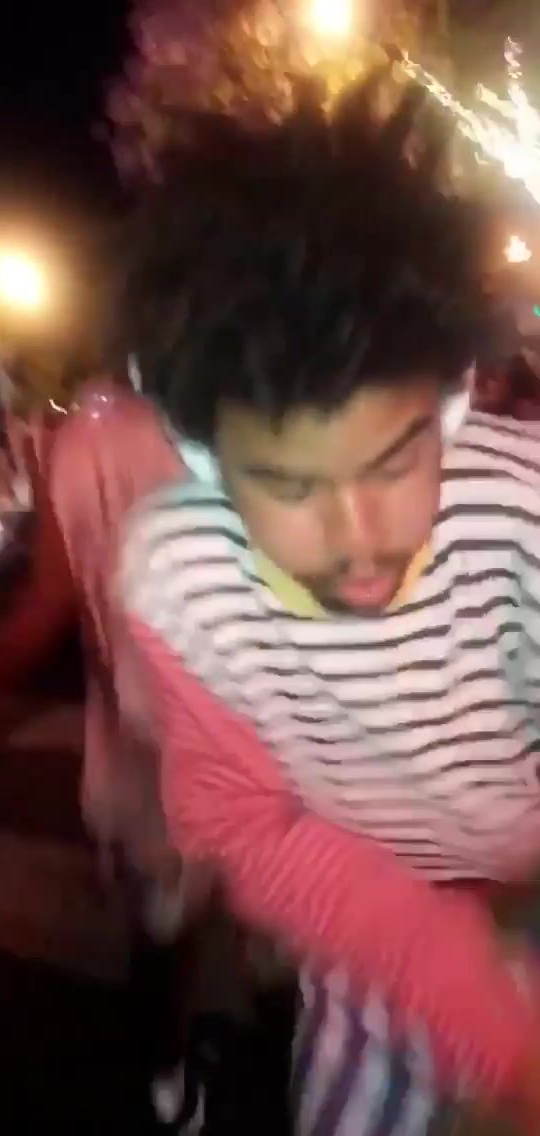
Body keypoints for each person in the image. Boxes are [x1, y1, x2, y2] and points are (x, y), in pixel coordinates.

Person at [115, 76, 540, 1133]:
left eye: (395, 460)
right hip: (364, 943)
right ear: (206, 456)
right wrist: (475, 1004)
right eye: (290, 486)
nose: (357, 537)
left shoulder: (522, 520)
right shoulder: (179, 580)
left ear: (449, 404)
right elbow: (243, 824)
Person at [0, 378, 218, 1132]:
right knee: (208, 936)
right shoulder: (265, 418)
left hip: (154, 774)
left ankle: (169, 1071)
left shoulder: (89, 439)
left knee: (169, 936)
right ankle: (175, 1073)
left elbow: (47, 598)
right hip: (204, 768)